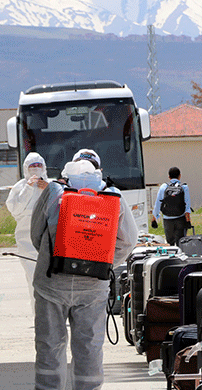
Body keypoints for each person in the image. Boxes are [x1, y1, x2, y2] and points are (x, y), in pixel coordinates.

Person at [30, 154, 138, 390]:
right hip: (92, 287)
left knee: (49, 344)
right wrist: (103, 263)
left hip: (52, 283)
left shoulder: (54, 191)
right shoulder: (113, 196)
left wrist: (54, 257)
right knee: (89, 346)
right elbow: (129, 241)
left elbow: (36, 233)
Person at [5, 152, 50, 302]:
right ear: (26, 168)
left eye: (39, 165)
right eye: (32, 166)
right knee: (33, 278)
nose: (36, 168)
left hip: (49, 237)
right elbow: (15, 209)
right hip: (27, 239)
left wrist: (50, 189)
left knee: (52, 279)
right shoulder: (20, 187)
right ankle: (39, 316)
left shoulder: (52, 184)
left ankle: (55, 317)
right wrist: (28, 189)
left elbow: (63, 205)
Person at [151, 167, 191, 245]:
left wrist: (155, 217)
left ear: (169, 177)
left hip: (167, 219)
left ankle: (172, 256)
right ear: (180, 176)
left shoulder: (163, 187)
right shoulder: (184, 187)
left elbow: (158, 203)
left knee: (170, 243)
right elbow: (187, 206)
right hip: (180, 218)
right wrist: (188, 220)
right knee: (181, 242)